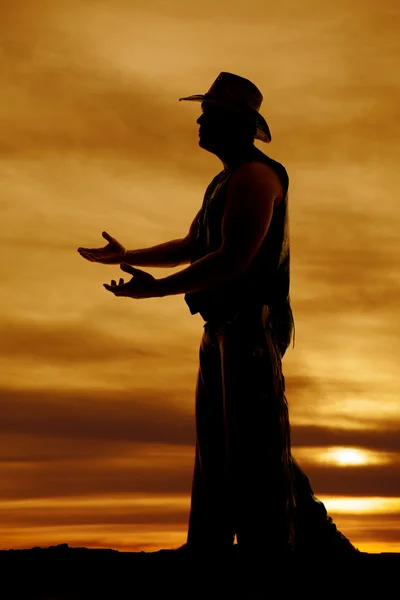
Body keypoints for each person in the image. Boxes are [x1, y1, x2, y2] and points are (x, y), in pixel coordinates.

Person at [77, 72, 359, 572]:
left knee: (255, 440)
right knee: (224, 439)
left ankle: (273, 554)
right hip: (223, 323)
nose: (200, 121)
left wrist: (156, 289)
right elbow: (194, 246)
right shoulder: (225, 181)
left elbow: (233, 260)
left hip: (253, 323)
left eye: (209, 113)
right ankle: (239, 547)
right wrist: (126, 256)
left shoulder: (256, 178)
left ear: (237, 122)